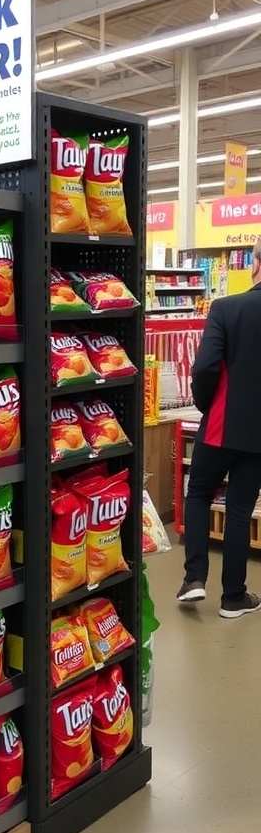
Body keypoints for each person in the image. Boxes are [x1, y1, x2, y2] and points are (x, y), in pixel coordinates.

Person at [177, 239, 261, 618]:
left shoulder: (227, 308)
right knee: (241, 509)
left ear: (255, 265)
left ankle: (194, 579)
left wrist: (203, 403)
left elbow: (205, 367)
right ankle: (233, 598)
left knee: (198, 494)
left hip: (221, 426)